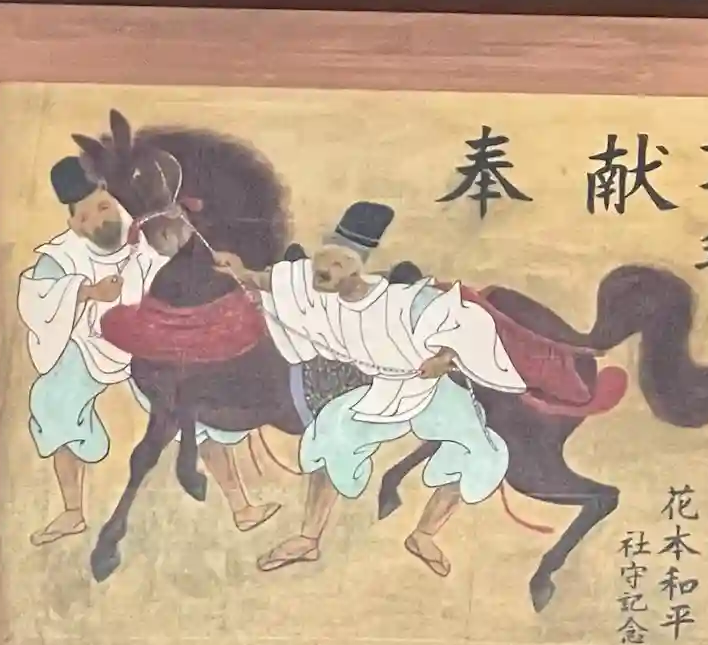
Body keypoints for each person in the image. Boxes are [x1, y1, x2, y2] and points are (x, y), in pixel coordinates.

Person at [215, 201, 527, 577]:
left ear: (355, 270)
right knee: (332, 435)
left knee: (482, 450)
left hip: (427, 387)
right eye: (322, 261)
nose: (323, 271)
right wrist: (241, 272)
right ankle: (308, 539)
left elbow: (463, 326)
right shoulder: (313, 290)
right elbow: (274, 283)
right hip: (383, 389)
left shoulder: (401, 301)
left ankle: (425, 534)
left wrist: (444, 359)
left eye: (337, 265)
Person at [18, 157, 272, 547]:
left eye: (103, 207)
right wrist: (87, 292)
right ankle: (71, 511)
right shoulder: (61, 256)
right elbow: (35, 299)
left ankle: (242, 506)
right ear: (74, 225)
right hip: (92, 345)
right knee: (52, 401)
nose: (99, 221)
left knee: (195, 405)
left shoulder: (152, 230)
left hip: (152, 343)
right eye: (86, 217)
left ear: (113, 200)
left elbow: (193, 264)